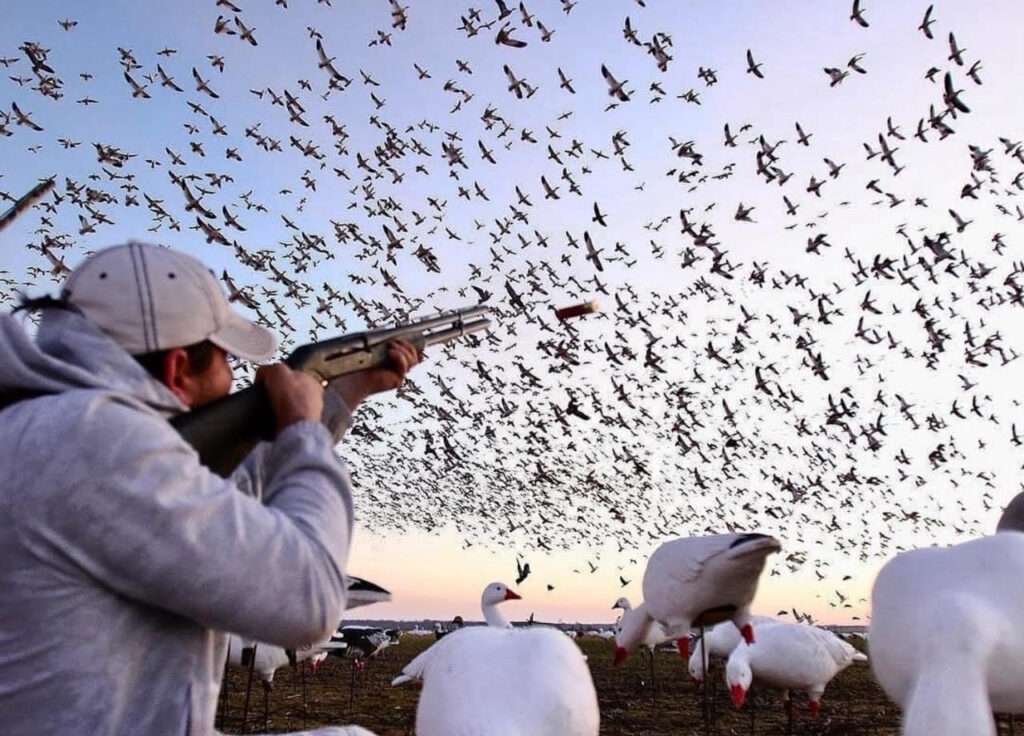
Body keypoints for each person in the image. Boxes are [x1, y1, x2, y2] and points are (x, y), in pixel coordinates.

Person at [0, 242, 420, 735]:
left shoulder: (48, 427)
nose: (235, 378)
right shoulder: (98, 439)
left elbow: (228, 494)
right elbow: (309, 601)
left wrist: (344, 394)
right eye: (225, 361)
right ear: (179, 369)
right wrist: (303, 435)